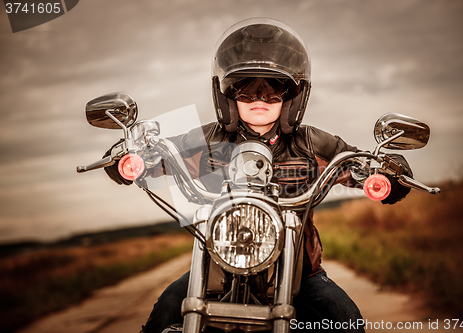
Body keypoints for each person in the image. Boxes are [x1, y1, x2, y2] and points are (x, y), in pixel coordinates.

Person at [105, 18, 412, 333]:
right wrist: (129, 156)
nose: (260, 97)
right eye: (246, 87)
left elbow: (356, 163)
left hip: (299, 272)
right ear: (227, 92)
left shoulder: (313, 143)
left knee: (346, 320)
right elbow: (159, 154)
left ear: (293, 93)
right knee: (167, 310)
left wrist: (387, 170)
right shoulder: (205, 142)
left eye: (273, 88)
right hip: (219, 265)